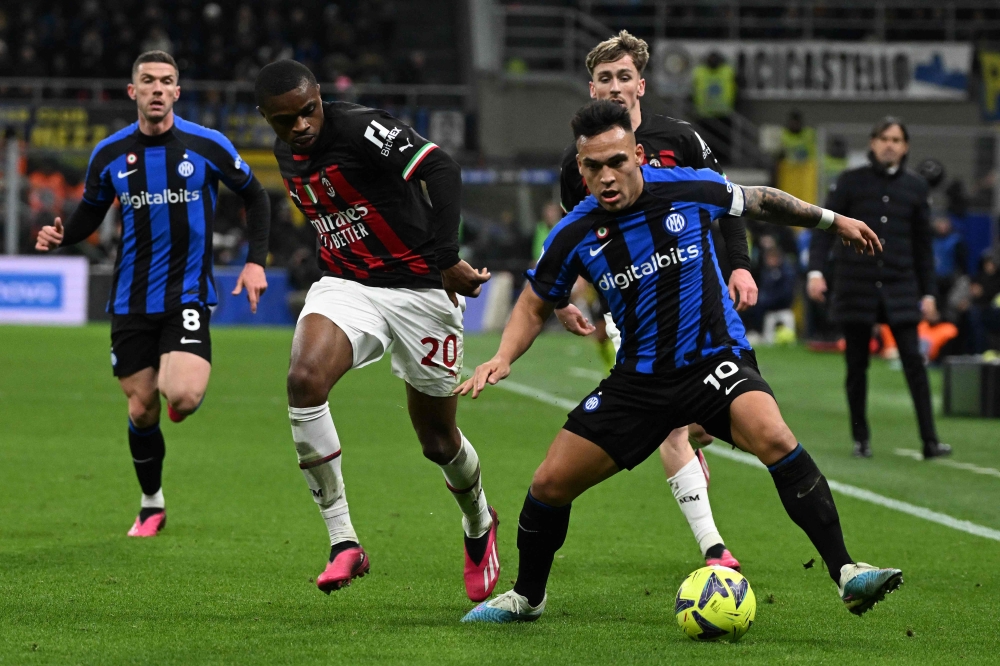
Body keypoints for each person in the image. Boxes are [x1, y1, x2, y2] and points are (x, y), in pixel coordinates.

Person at [458, 100, 901, 624]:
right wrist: (503, 356)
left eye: (617, 162)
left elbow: (761, 201)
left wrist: (835, 221)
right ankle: (528, 598)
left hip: (712, 363)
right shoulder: (574, 233)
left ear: (638, 155)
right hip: (639, 383)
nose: (606, 176)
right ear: (580, 170)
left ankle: (847, 572)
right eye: (593, 167)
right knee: (549, 485)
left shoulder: (690, 188)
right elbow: (534, 302)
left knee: (776, 438)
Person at [254, 59, 500, 599]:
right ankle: (344, 541)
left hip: (419, 291)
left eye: (308, 111)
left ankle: (479, 522)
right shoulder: (284, 152)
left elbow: (443, 169)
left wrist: (445, 257)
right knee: (303, 381)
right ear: (267, 119)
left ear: (321, 96)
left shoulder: (362, 128)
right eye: (284, 120)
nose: (300, 126)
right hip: (347, 285)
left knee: (437, 441)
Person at [34, 50, 271, 537]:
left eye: (166, 81)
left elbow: (256, 195)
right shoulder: (109, 154)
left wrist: (254, 262)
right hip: (130, 300)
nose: (157, 89)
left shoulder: (208, 145)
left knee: (181, 394)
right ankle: (151, 502)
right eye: (148, 81)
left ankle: (179, 389)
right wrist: (63, 236)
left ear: (177, 93)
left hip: (187, 295)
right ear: (133, 92)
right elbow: (89, 214)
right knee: (141, 407)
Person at [556, 30, 756, 571]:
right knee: (670, 424)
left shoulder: (683, 138)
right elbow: (572, 243)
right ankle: (716, 550)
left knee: (711, 419)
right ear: (591, 87)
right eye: (605, 79)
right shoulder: (578, 163)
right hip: (637, 311)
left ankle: (693, 438)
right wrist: (564, 298)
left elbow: (728, 202)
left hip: (700, 297)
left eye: (624, 77)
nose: (615, 87)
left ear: (641, 84)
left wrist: (738, 264)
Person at [807, 117, 951, 460]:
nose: (890, 144)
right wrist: (815, 271)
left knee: (914, 365)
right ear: (873, 142)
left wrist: (929, 294)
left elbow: (923, 248)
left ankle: (930, 441)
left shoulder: (916, 188)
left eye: (897, 139)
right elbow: (822, 227)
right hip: (855, 285)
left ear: (906, 146)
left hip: (900, 287)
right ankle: (861, 439)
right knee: (857, 368)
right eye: (884, 138)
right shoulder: (850, 182)